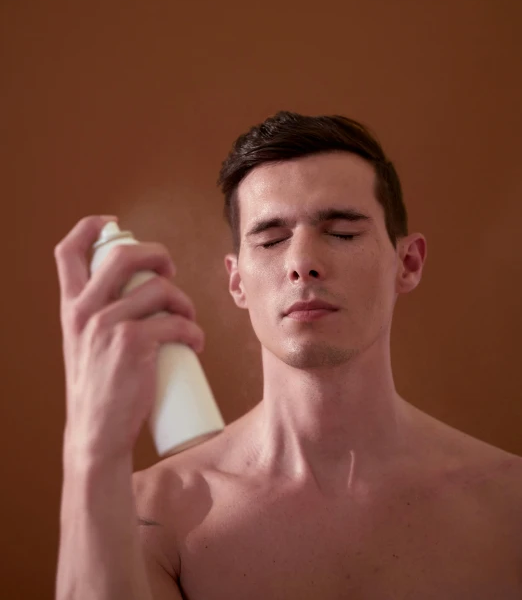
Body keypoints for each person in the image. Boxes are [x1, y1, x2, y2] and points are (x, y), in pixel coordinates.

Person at [55, 111, 522, 599]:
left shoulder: (510, 505)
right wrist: (92, 449)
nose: (302, 263)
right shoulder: (153, 515)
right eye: (272, 239)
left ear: (407, 263)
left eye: (342, 232)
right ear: (237, 281)